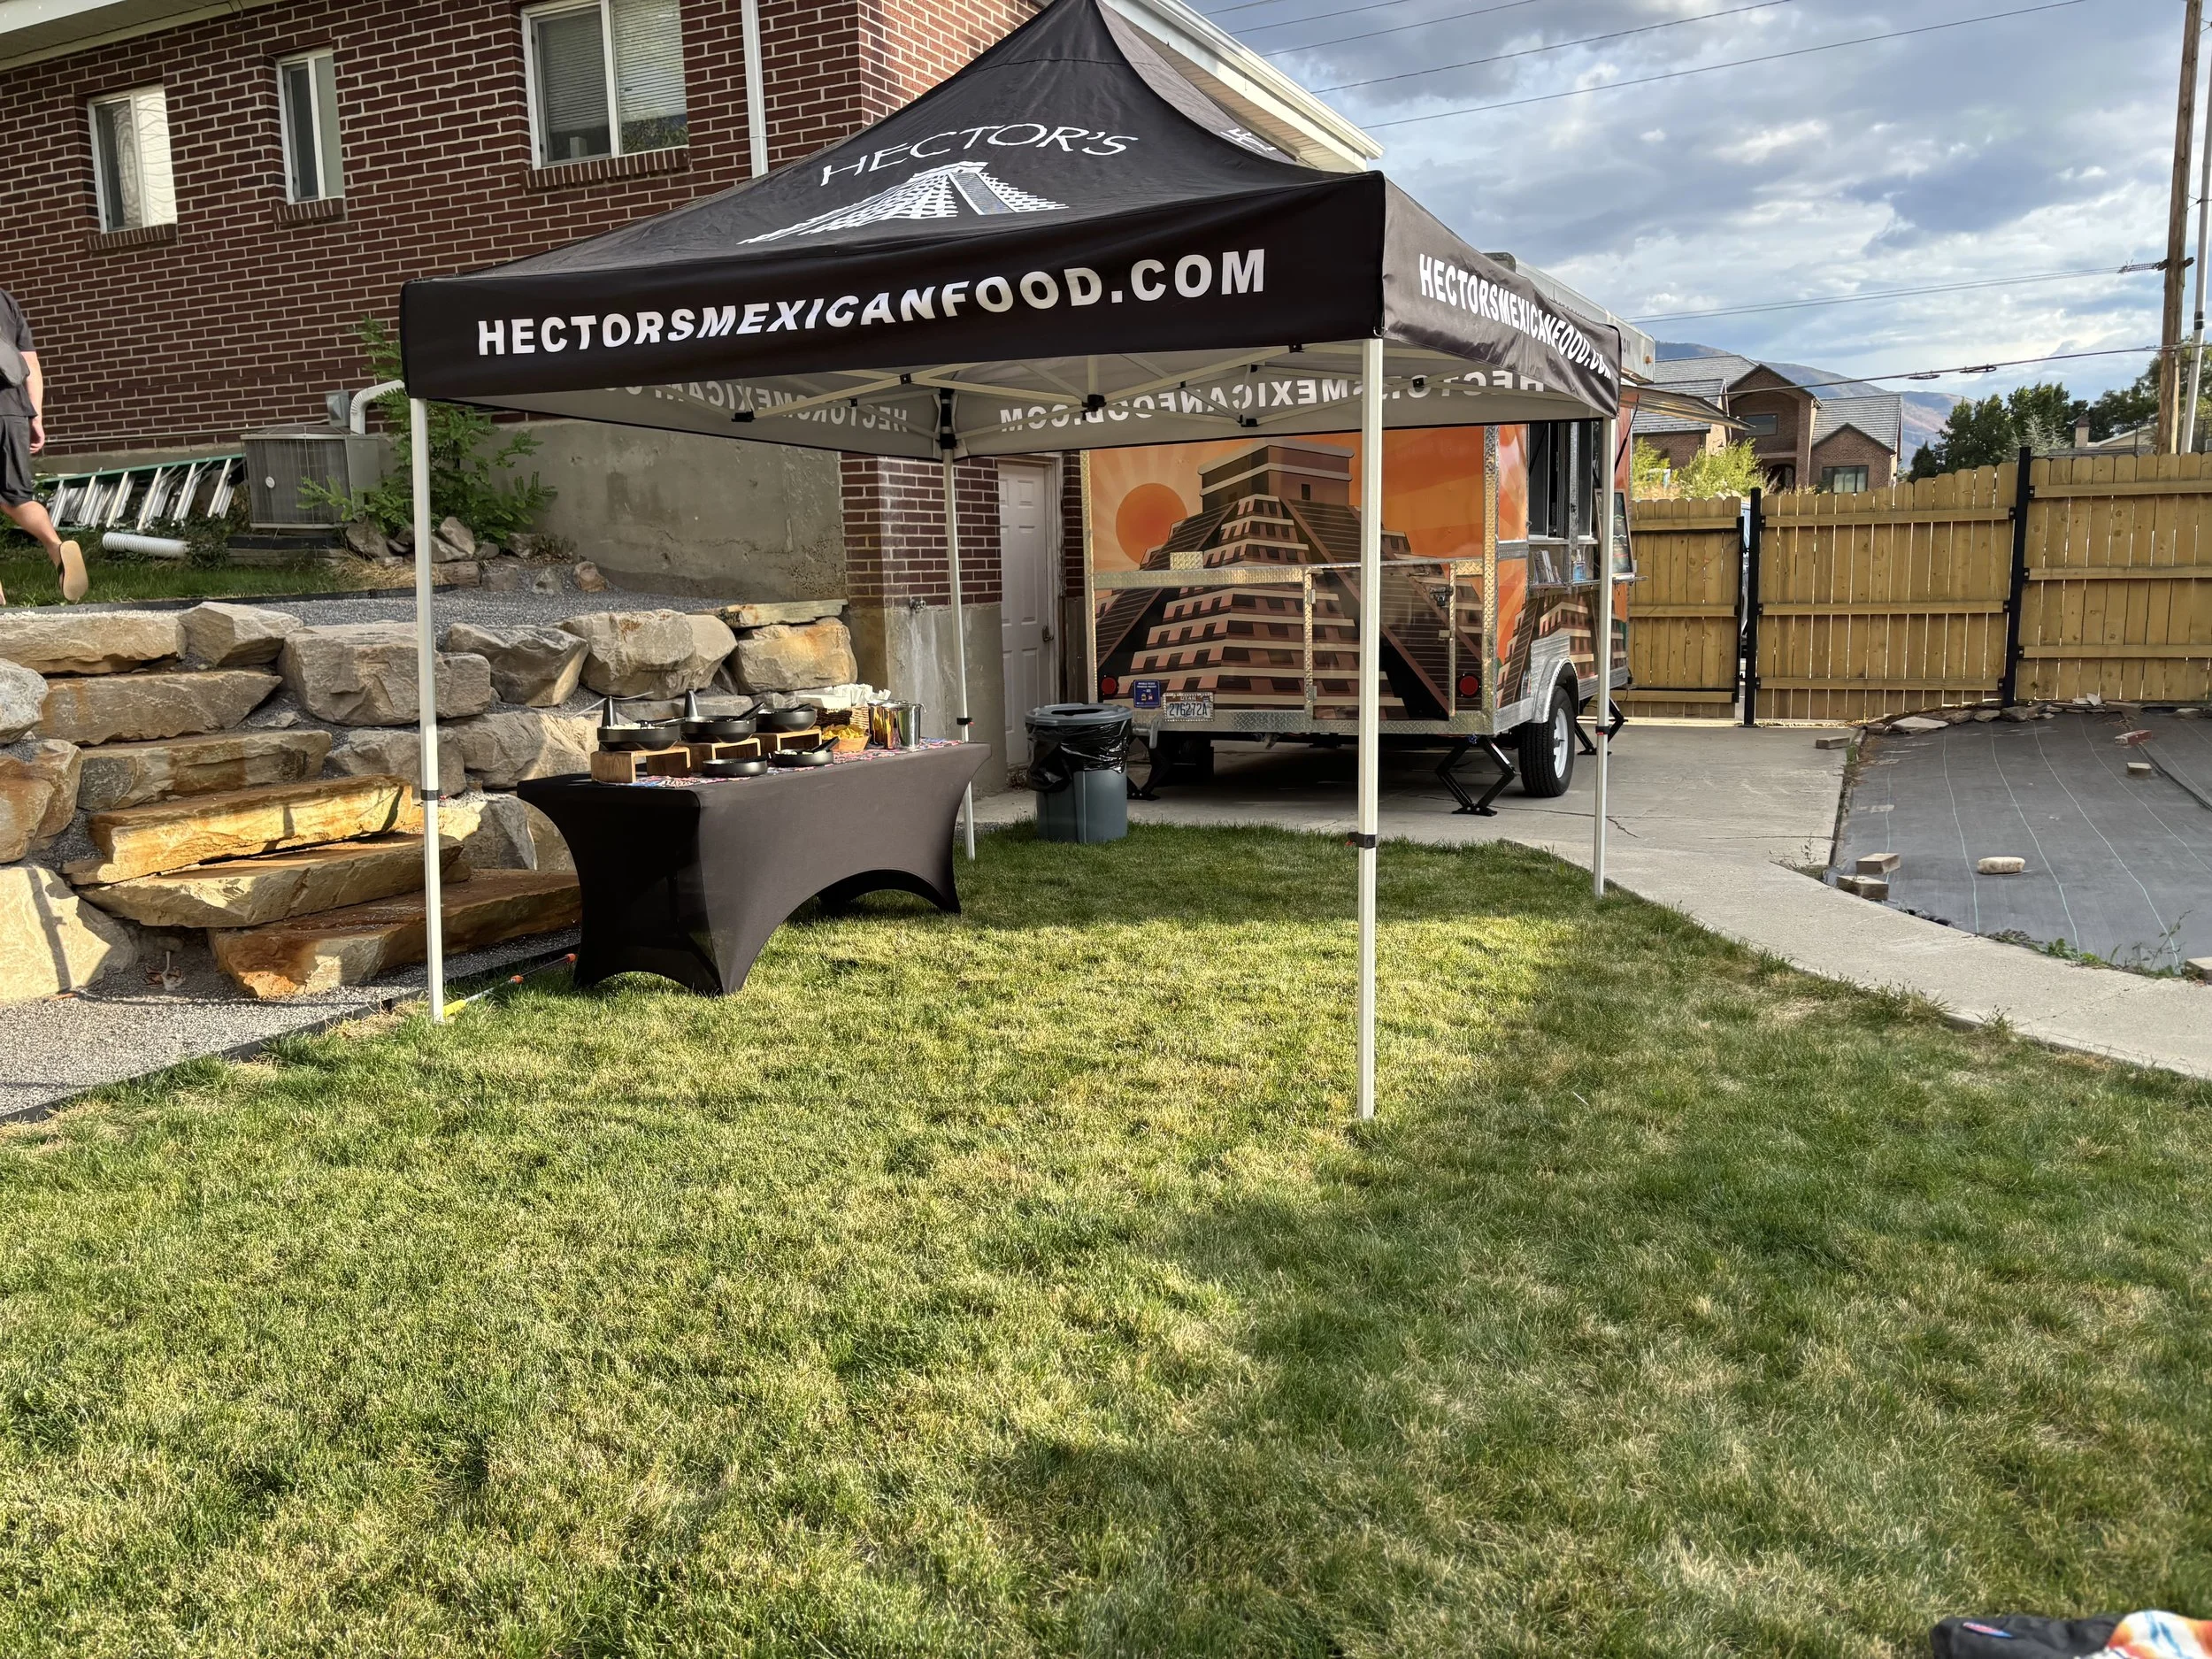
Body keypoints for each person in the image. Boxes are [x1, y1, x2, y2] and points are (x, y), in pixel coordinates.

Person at [0, 287, 88, 605]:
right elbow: (30, 366)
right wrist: (35, 416)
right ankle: (55, 545)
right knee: (16, 497)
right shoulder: (6, 301)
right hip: (12, 410)